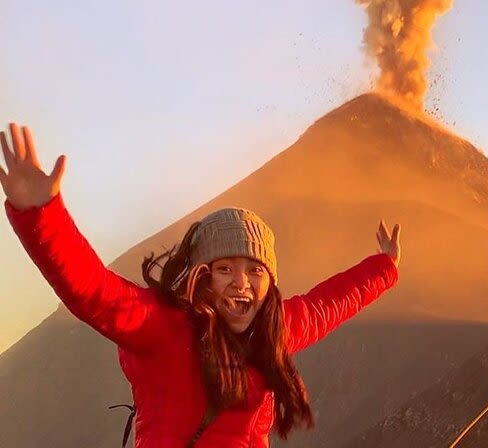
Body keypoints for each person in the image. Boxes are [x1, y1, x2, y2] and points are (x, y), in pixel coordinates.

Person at [1, 122, 401, 448]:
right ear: (200, 277)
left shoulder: (274, 331)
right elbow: (92, 290)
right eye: (225, 268)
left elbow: (328, 304)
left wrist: (384, 266)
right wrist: (41, 213)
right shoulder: (162, 328)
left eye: (256, 270)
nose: (241, 282)